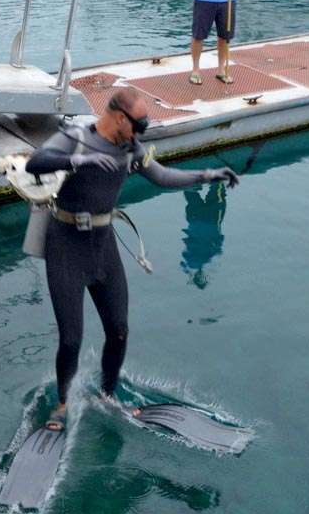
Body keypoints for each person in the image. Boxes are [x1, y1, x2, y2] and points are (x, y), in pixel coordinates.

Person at [24, 87, 239, 430]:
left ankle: (107, 394)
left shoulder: (131, 149)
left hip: (103, 245)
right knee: (71, 339)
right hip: (65, 245)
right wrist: (80, 160)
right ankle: (62, 405)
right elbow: (36, 163)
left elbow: (162, 176)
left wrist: (205, 175)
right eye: (139, 125)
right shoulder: (77, 138)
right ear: (121, 118)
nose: (141, 134)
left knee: (119, 330)